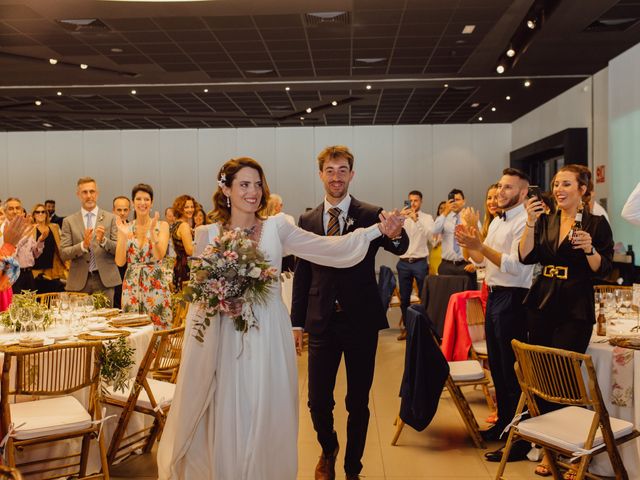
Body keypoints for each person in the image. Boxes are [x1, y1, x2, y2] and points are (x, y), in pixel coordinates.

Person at [157, 156, 403, 480]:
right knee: (231, 410)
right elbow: (201, 300)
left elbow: (330, 248)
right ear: (226, 189)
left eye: (258, 184)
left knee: (268, 412)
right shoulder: (208, 234)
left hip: (270, 335)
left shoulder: (278, 226)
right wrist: (220, 302)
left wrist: (375, 232)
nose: (253, 192)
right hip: (228, 341)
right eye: (244, 184)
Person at [292, 145, 409, 480]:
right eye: (330, 171)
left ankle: (352, 469)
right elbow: (302, 276)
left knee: (357, 402)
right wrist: (296, 324)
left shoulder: (372, 214)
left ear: (352, 174)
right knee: (317, 402)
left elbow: (399, 246)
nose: (336, 177)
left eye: (342, 170)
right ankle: (328, 449)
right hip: (321, 322)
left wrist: (397, 233)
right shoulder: (308, 220)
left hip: (360, 321)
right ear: (320, 175)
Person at [519, 164, 613, 477]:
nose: (559, 189)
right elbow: (525, 256)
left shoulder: (597, 224)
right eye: (556, 184)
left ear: (583, 190)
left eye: (567, 184)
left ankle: (574, 452)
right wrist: (529, 223)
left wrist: (589, 249)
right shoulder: (544, 220)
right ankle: (550, 450)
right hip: (542, 301)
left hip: (575, 306)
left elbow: (602, 268)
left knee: (567, 379)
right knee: (544, 377)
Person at [456, 168, 535, 464]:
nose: (500, 192)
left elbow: (516, 266)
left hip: (514, 298)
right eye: (500, 186)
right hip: (495, 294)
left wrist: (480, 245)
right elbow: (480, 261)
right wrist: (471, 238)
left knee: (512, 373)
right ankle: (503, 426)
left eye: (507, 188)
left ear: (523, 192)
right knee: (499, 370)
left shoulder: (524, 224)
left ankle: (519, 441)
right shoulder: (499, 221)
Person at [116, 184, 172, 329]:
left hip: (155, 283)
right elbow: (120, 262)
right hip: (131, 285)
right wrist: (122, 236)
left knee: (157, 327)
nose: (142, 203)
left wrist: (153, 234)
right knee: (132, 328)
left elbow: (159, 255)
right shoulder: (126, 227)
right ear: (133, 203)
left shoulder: (162, 225)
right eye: (138, 199)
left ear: (151, 203)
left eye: (146, 199)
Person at [60, 177, 121, 306]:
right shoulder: (68, 221)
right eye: (85, 192)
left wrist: (104, 241)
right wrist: (83, 245)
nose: (89, 196)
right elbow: (64, 253)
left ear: (97, 194)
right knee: (79, 322)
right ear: (78, 195)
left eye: (92, 192)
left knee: (106, 322)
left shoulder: (111, 218)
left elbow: (118, 249)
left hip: (105, 280)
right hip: (79, 282)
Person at [396, 190, 434, 340]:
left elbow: (431, 237)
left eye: (416, 201)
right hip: (404, 262)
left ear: (421, 201)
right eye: (410, 200)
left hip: (420, 262)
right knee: (404, 298)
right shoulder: (402, 217)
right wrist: (400, 219)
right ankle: (407, 328)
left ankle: (424, 328)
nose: (412, 203)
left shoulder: (427, 218)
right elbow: (394, 236)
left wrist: (416, 220)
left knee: (424, 296)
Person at [432, 188, 476, 282]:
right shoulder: (444, 218)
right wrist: (445, 212)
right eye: (452, 200)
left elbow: (479, 240)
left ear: (464, 201)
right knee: (445, 296)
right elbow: (434, 230)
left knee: (466, 295)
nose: (455, 202)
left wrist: (474, 263)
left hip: (465, 265)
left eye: (458, 200)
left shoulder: (470, 216)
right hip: (447, 265)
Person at [31, 204, 68, 293]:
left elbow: (60, 245)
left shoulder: (54, 227)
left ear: (46, 214)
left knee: (52, 296)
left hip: (52, 268)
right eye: (38, 212)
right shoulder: (30, 229)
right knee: (37, 297)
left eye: (43, 212)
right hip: (35, 269)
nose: (40, 214)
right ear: (34, 214)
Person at [169, 195, 195, 291]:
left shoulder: (175, 224)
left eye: (192, 206)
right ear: (180, 208)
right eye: (186, 207)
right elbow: (190, 251)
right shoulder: (184, 225)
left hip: (178, 265)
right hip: (185, 266)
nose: (190, 209)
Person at [112, 196, 131, 308]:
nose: (122, 213)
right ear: (113, 210)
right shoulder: (107, 227)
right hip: (112, 272)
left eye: (125, 210)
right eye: (119, 210)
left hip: (129, 273)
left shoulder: (133, 227)